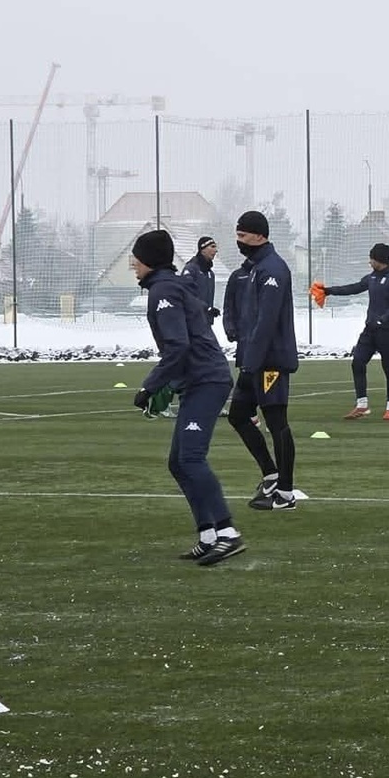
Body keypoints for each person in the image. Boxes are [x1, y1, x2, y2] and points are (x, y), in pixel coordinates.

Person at [129, 228, 244, 565]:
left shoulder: (163, 290)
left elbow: (178, 346)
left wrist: (149, 386)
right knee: (178, 462)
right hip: (199, 380)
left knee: (191, 459)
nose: (132, 264)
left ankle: (227, 533)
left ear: (149, 260)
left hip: (206, 381)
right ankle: (208, 535)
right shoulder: (169, 286)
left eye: (136, 257)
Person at [227, 209, 300, 510]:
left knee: (276, 421)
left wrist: (251, 363)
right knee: (238, 416)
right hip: (251, 361)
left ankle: (285, 493)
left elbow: (266, 323)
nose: (238, 241)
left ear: (259, 235)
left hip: (270, 362)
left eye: (242, 236)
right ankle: (270, 473)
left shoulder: (273, 269)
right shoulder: (252, 269)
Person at [312, 243, 389, 420]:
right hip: (370, 330)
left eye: (371, 258)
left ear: (379, 259)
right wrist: (328, 291)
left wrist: (382, 319)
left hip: (387, 331)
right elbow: (353, 288)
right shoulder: (371, 278)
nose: (369, 262)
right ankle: (362, 405)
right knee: (357, 362)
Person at [179, 235, 221, 322]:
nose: (216, 250)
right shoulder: (191, 269)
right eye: (212, 246)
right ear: (203, 249)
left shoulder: (210, 273)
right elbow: (186, 295)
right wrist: (206, 308)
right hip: (192, 322)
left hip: (206, 322)